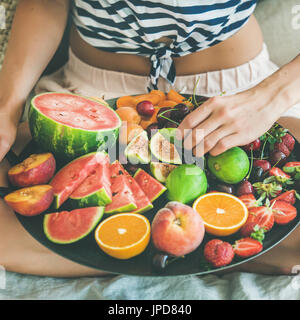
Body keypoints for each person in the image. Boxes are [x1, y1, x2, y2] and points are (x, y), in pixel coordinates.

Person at [0, 0, 299, 277]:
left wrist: (269, 98)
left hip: (239, 93)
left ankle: (118, 253)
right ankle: (213, 257)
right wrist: (6, 108)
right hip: (91, 96)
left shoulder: (258, 98)